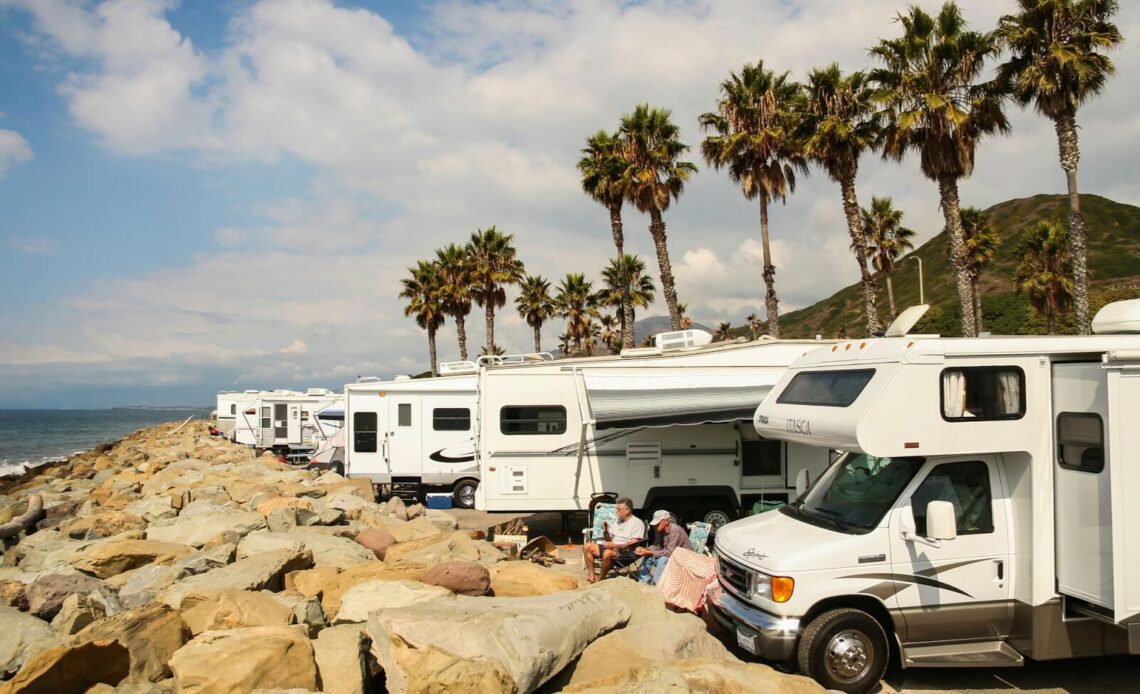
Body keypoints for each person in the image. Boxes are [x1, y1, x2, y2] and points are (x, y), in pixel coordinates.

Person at [583, 497, 645, 583]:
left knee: (607, 553)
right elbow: (608, 539)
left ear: (627, 510)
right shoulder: (617, 521)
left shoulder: (637, 523)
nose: (616, 511)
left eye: (618, 509)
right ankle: (591, 576)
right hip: (612, 547)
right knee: (587, 546)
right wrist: (605, 530)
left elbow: (634, 543)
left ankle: (599, 578)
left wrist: (615, 546)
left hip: (626, 553)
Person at [635, 509, 693, 585]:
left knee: (663, 559)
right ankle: (643, 581)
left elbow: (669, 552)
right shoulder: (659, 529)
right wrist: (645, 549)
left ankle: (657, 584)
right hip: (672, 555)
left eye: (658, 523)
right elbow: (657, 545)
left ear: (666, 521)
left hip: (683, 558)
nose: (655, 526)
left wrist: (649, 551)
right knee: (648, 556)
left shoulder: (675, 530)